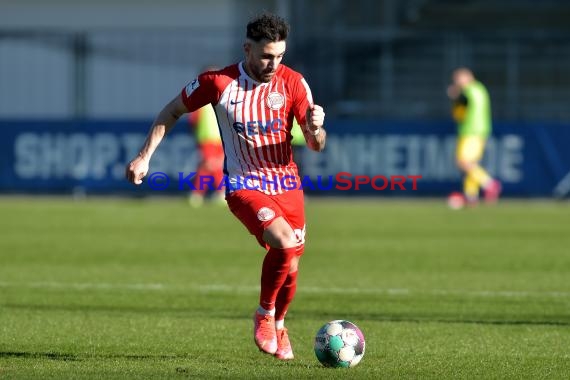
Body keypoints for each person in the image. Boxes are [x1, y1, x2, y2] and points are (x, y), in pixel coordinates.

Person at [125, 13, 326, 361]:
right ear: (247, 48)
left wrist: (315, 127)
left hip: (287, 184)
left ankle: (280, 323)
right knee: (282, 241)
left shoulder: (294, 83)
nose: (273, 64)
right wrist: (144, 156)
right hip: (243, 184)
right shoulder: (219, 83)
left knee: (291, 264)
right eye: (266, 56)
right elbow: (172, 110)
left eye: (279, 56)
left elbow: (315, 143)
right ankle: (264, 314)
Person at [447, 67, 501, 206]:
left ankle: (489, 184)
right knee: (472, 164)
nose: (457, 82)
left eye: (459, 79)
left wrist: (455, 95)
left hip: (472, 131)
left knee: (464, 162)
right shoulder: (480, 89)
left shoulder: (469, 91)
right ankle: (471, 195)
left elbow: (461, 107)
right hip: (477, 131)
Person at [186, 67, 225, 208]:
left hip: (221, 139)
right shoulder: (200, 97)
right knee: (210, 164)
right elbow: (193, 120)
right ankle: (215, 193)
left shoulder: (223, 95)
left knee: (211, 166)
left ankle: (198, 194)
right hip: (207, 138)